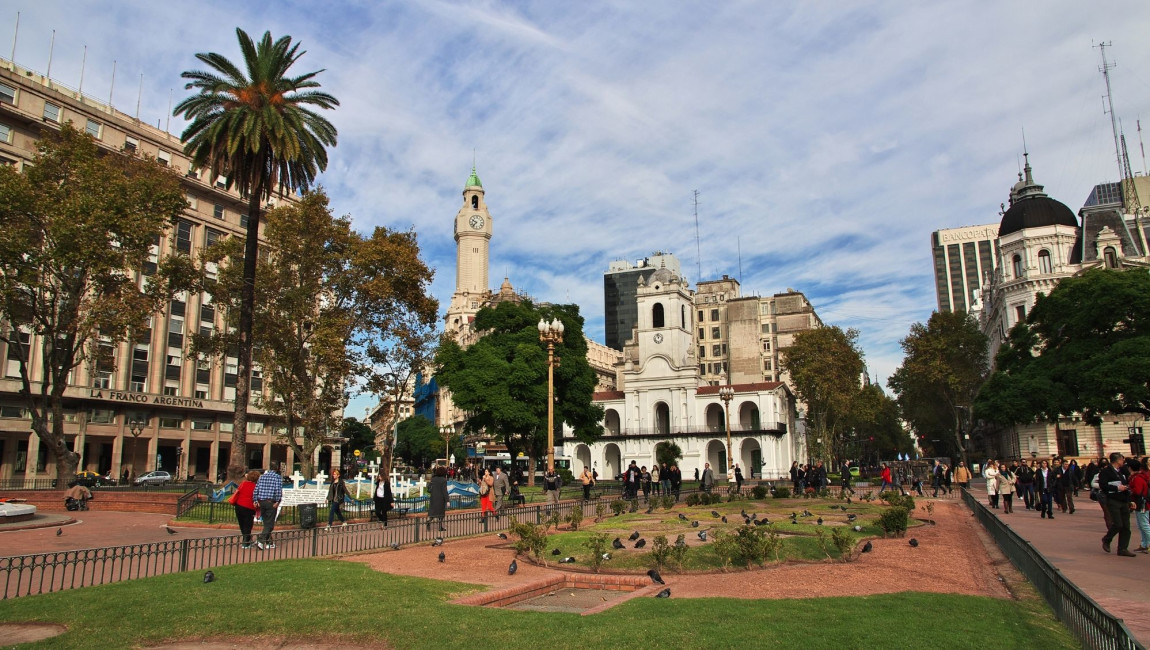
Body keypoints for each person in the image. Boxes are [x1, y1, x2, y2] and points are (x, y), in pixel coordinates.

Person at [1099, 452, 1135, 557]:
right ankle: (1107, 539)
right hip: (1113, 500)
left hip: (1123, 500)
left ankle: (1123, 548)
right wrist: (1116, 488)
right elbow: (1103, 485)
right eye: (1122, 459)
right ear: (1117, 460)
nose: (1123, 461)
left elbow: (1125, 485)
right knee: (1118, 524)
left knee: (1126, 526)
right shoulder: (1106, 472)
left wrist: (1130, 500)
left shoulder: (1121, 471)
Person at [253, 463, 284, 550]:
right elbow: (278, 490)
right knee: (270, 524)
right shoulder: (277, 477)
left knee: (267, 522)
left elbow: (256, 489)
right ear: (277, 468)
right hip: (271, 502)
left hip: (261, 501)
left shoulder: (262, 477)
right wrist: (278, 501)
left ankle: (269, 542)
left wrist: (255, 500)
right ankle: (261, 540)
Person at [228, 470, 258, 548]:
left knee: (242, 524)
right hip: (249, 507)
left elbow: (238, 492)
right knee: (248, 525)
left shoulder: (243, 483)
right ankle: (246, 542)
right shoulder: (256, 486)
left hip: (239, 505)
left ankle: (246, 539)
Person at [1127, 459, 1149, 554]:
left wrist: (1129, 489)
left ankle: (1145, 543)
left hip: (1142, 504)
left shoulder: (1137, 478)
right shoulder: (1137, 477)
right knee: (1141, 525)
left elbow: (1138, 491)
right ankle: (1144, 544)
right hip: (1141, 503)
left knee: (1144, 525)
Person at [428, 466, 447, 532]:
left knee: (432, 512)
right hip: (440, 498)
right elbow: (444, 491)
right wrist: (447, 500)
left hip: (433, 497)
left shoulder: (433, 479)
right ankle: (440, 526)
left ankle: (429, 521)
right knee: (441, 514)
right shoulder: (443, 480)